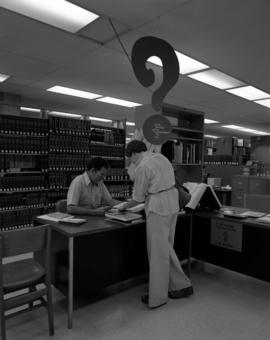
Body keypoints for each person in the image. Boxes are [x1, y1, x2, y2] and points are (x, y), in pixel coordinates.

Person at [120, 140, 193, 309]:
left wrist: (123, 206)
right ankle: (181, 285)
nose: (131, 162)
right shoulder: (161, 157)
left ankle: (158, 297)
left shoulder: (142, 167)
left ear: (134, 153)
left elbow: (138, 197)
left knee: (157, 253)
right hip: (173, 203)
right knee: (166, 247)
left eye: (130, 158)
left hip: (158, 207)